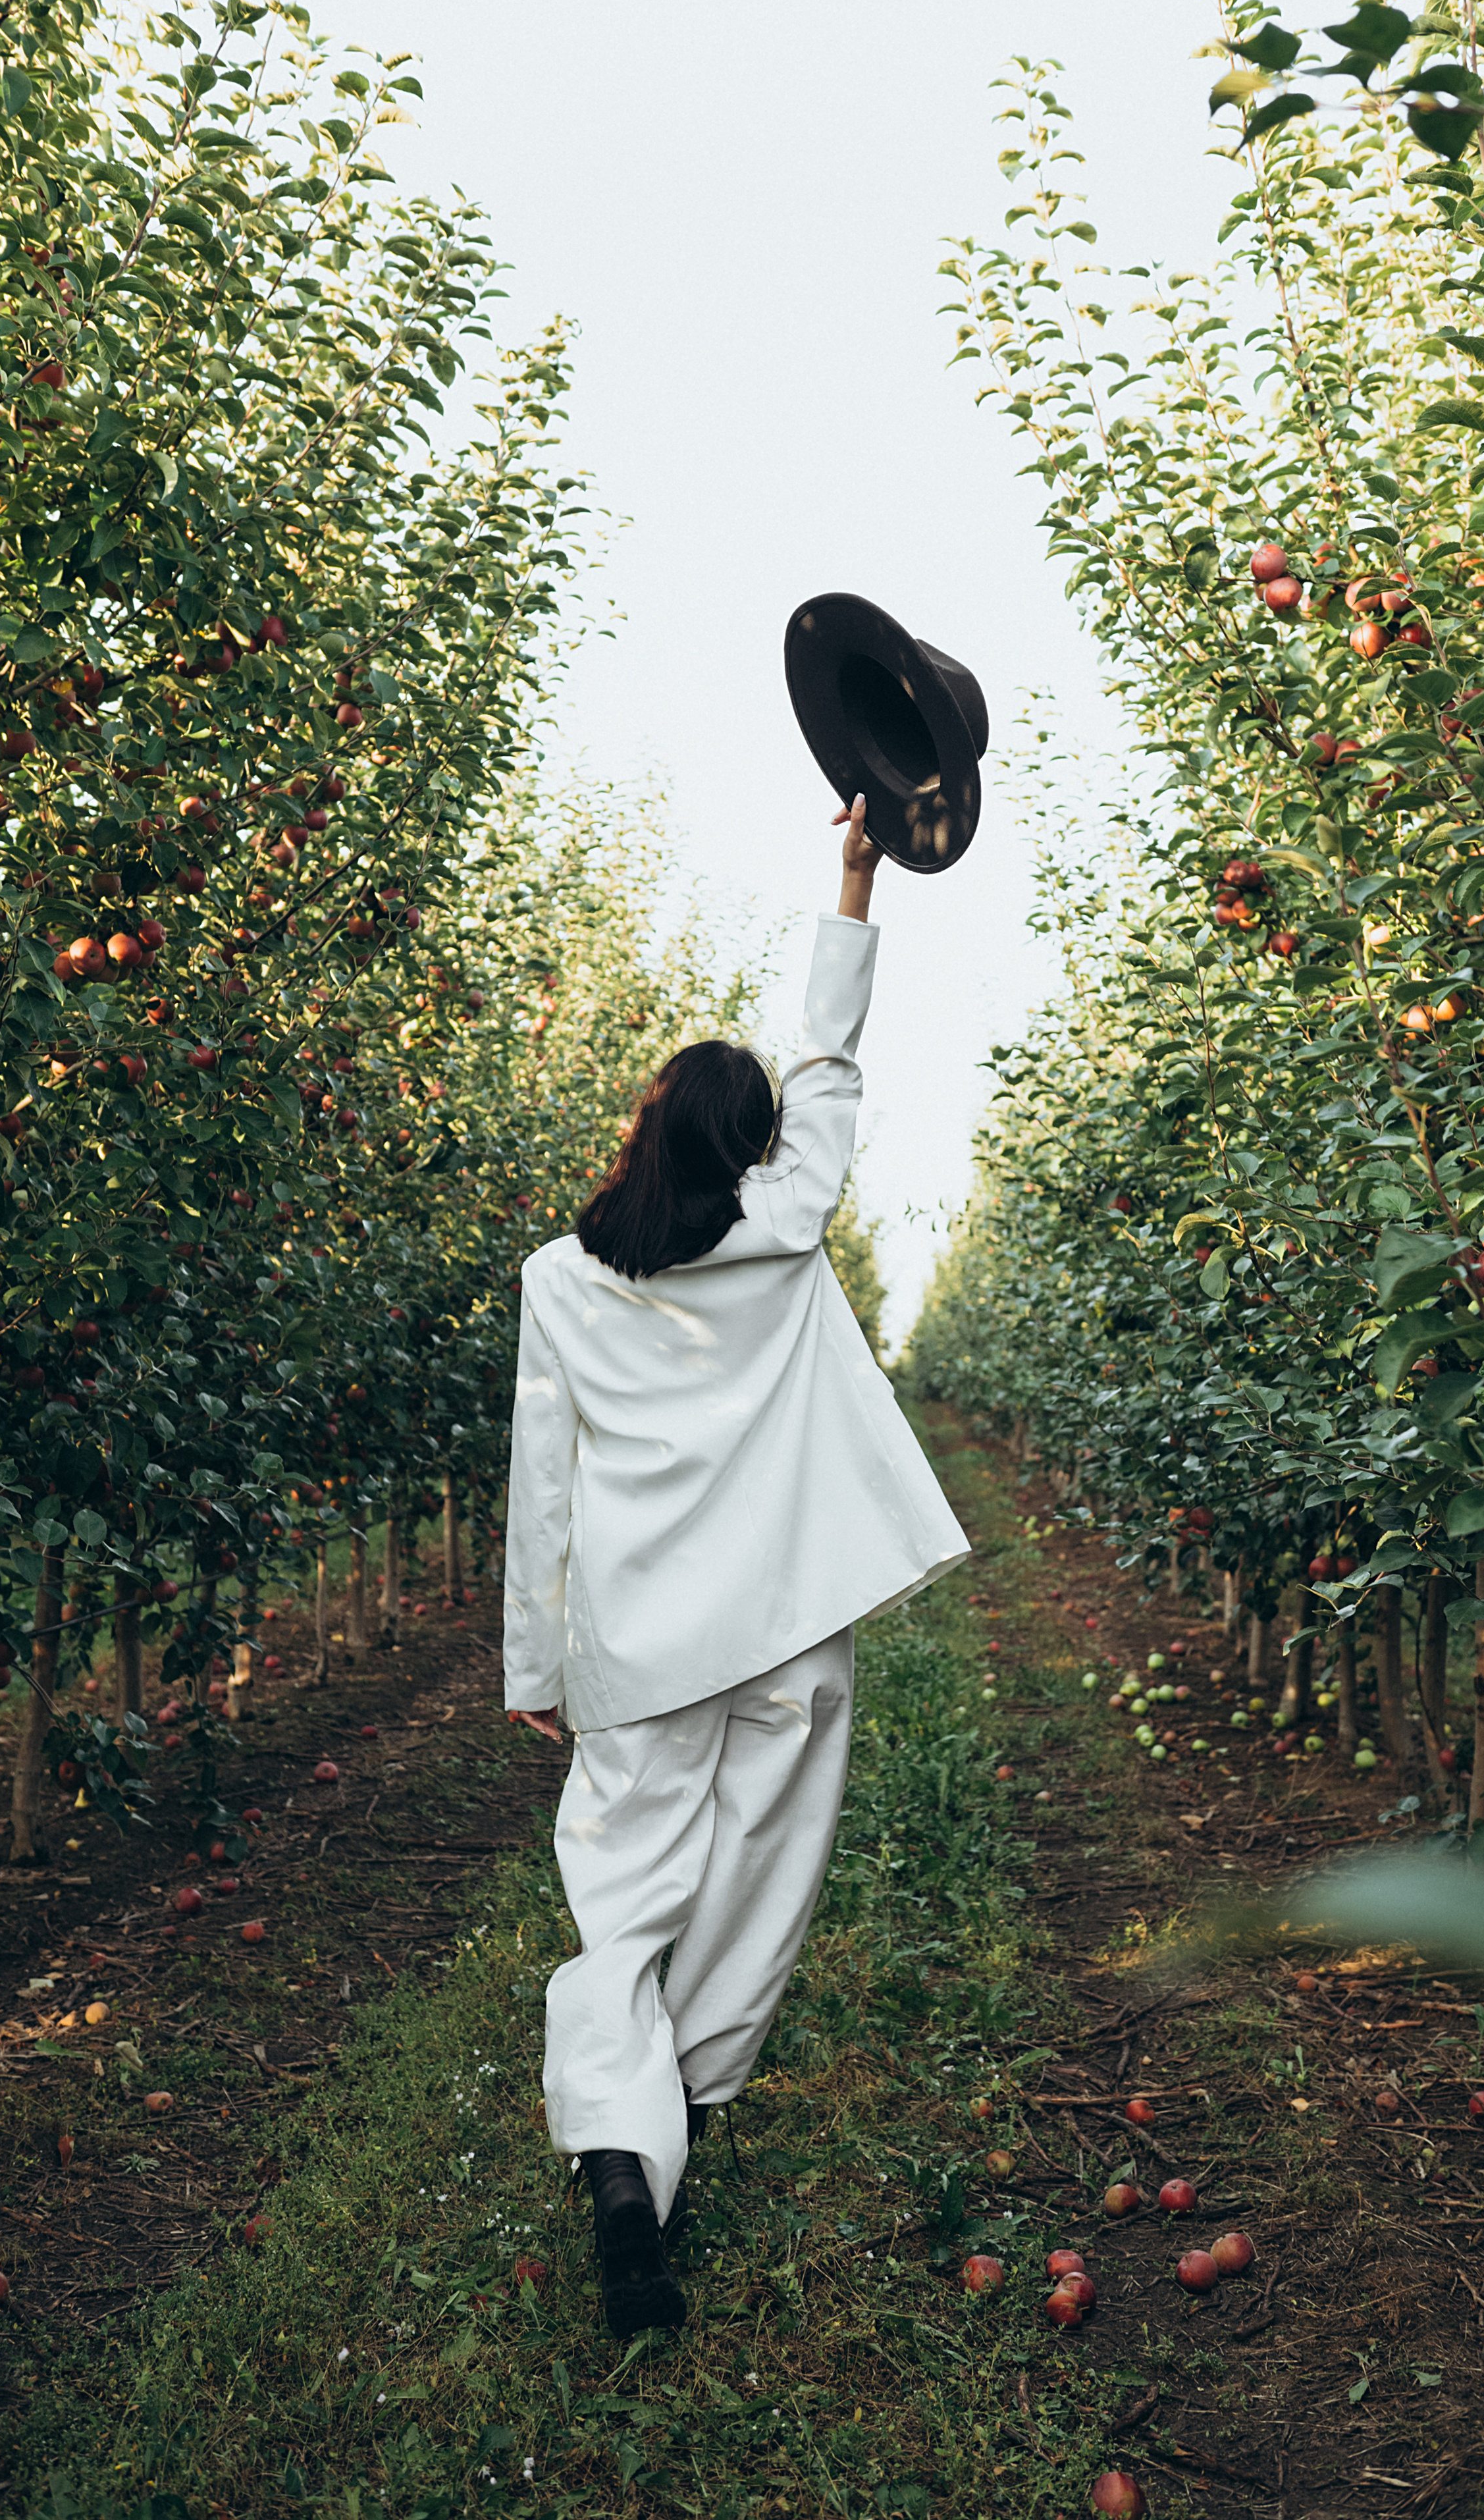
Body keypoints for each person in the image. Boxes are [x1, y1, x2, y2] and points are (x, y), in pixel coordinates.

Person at [503, 795, 970, 2336]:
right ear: (754, 1147)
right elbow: (829, 1063)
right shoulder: (782, 1227)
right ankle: (677, 2114)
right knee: (756, 1890)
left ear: (639, 1134)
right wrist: (852, 874)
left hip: (638, 1649)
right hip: (787, 1636)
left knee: (621, 1907)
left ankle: (623, 2150)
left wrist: (531, 1667)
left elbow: (544, 1486)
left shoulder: (561, 1282)